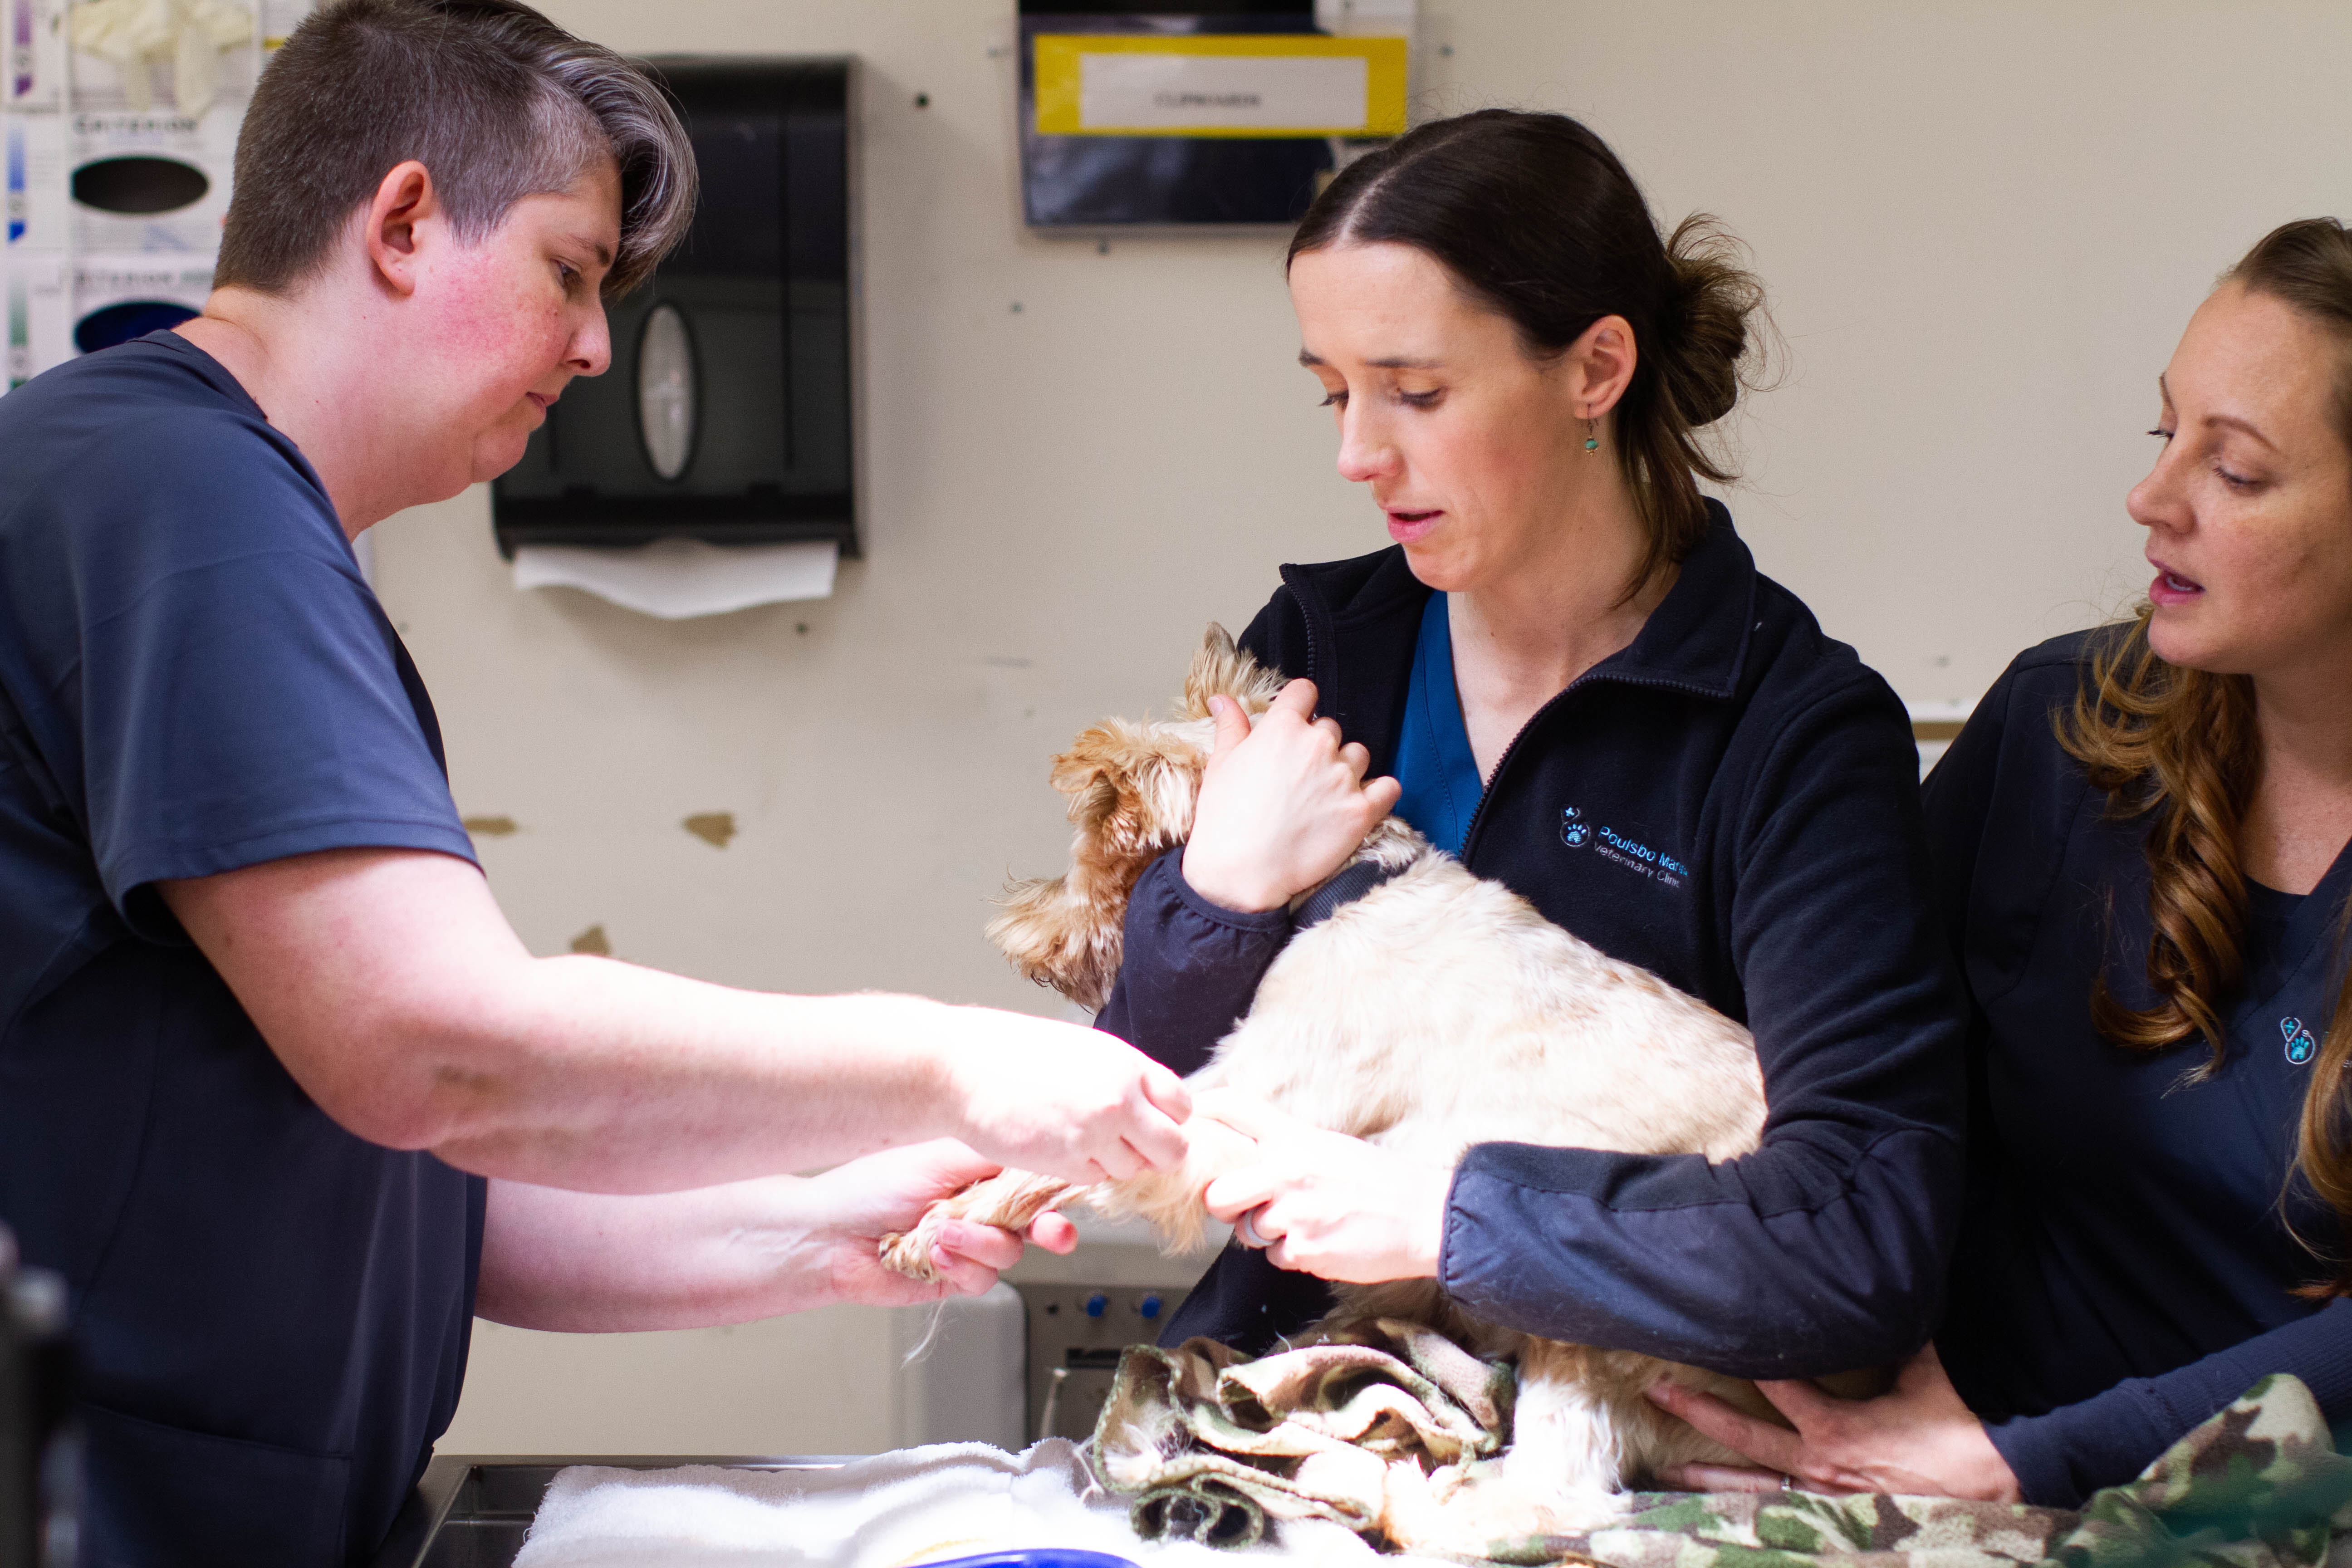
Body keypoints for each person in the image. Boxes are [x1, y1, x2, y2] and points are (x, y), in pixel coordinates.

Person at [0, 3, 1192, 1562]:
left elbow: (420, 1184)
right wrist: (949, 1061)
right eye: (570, 270)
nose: (596, 344)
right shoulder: (183, 500)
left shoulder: (189, 495)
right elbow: (433, 1051)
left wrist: (823, 1231)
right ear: (407, 221)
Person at [1096, 109, 1970, 1387]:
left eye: (1417, 393)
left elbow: (1862, 1241)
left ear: (1595, 370)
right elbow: (1133, 1104)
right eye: (1335, 394)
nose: (1355, 454)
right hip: (1296, 1373)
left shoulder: (1793, 738)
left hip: (1613, 1419)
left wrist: (1452, 1221)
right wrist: (1218, 892)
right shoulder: (1323, 655)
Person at [1647, 219, 2352, 1506]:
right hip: (1923, 1449)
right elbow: (1835, 1065)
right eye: (2165, 434)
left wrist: (2020, 1462)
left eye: (2237, 472)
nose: (2154, 498)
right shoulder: (2065, 726)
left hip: (2235, 1509)